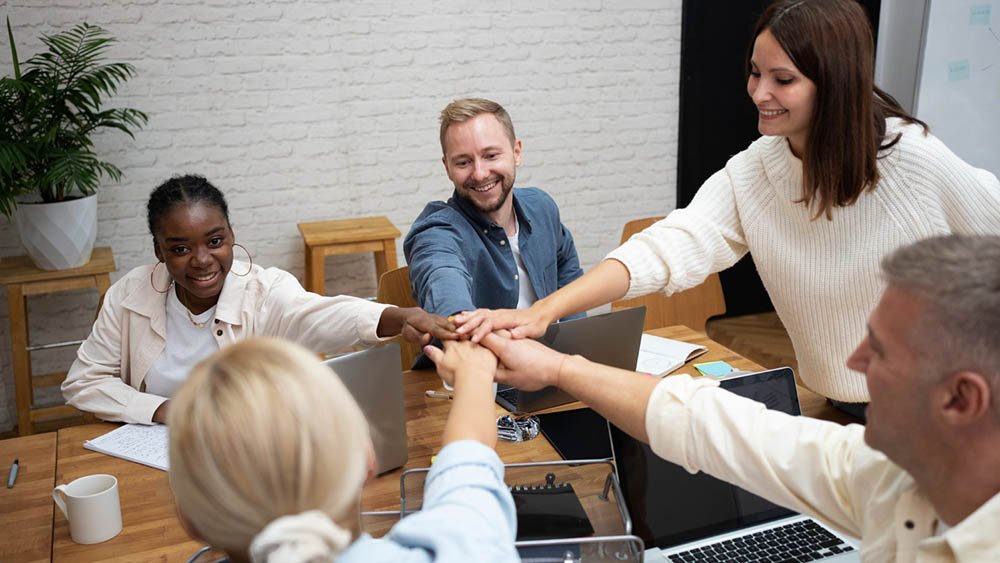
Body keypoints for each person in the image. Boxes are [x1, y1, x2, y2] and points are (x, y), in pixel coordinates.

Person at [454, 0, 1000, 409]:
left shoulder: (910, 160)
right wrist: (542, 311)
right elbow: (669, 246)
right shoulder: (758, 170)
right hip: (841, 402)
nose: (759, 92)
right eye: (756, 72)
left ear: (833, 84)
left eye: (783, 79)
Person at [475, 234, 1000, 560]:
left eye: (881, 351)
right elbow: (712, 424)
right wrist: (560, 367)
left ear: (960, 400)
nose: (854, 361)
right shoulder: (892, 478)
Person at [63, 175, 456, 424]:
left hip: (248, 448)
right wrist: (163, 410)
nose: (202, 260)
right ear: (158, 250)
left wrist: (401, 314)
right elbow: (84, 382)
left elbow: (323, 314)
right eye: (180, 248)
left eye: (215, 241)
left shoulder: (264, 290)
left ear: (231, 234)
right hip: (159, 451)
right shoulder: (130, 296)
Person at [168, 336, 518, 562]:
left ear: (190, 518)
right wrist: (475, 372)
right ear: (367, 459)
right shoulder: (463, 548)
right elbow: (467, 460)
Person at [403, 98, 584, 321]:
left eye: (491, 156)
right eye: (463, 162)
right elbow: (441, 278)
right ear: (447, 168)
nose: (479, 173)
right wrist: (458, 318)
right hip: (480, 354)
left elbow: (567, 273)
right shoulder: (437, 232)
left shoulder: (541, 207)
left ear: (516, 152)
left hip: (553, 354)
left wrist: (575, 342)